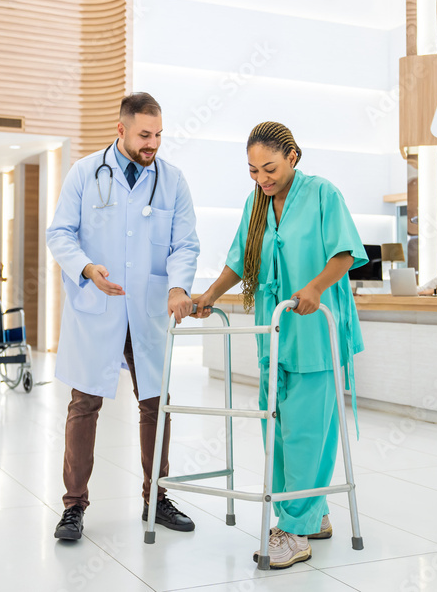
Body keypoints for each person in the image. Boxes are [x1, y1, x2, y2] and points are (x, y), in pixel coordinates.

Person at [192, 121, 367, 569]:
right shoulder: (258, 203)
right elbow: (241, 259)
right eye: (252, 171)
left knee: (307, 430)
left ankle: (292, 530)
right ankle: (314, 514)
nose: (261, 179)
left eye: (268, 168)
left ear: (292, 156)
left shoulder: (323, 193)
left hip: (314, 328)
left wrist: (315, 288)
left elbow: (345, 253)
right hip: (275, 331)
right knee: (278, 430)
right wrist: (209, 295)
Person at [46, 92, 199, 541]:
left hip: (148, 306)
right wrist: (86, 269)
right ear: (121, 130)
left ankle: (158, 498)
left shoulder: (173, 180)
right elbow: (60, 233)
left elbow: (185, 243)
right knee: (85, 403)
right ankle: (73, 507)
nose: (152, 144)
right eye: (144, 135)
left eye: (158, 135)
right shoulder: (85, 172)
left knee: (156, 401)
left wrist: (177, 286)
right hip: (99, 303)